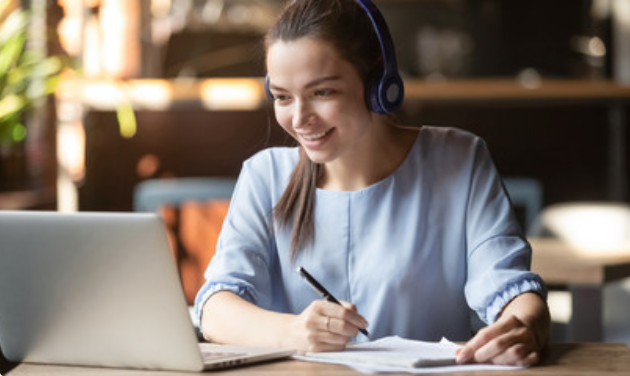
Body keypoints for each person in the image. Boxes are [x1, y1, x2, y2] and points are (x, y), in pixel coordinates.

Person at [194, 0, 550, 367]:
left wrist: (525, 326)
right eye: (283, 97)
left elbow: (508, 286)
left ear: (378, 84)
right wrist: (295, 332)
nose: (299, 119)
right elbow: (215, 309)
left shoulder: (459, 160)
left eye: (322, 93)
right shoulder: (264, 175)